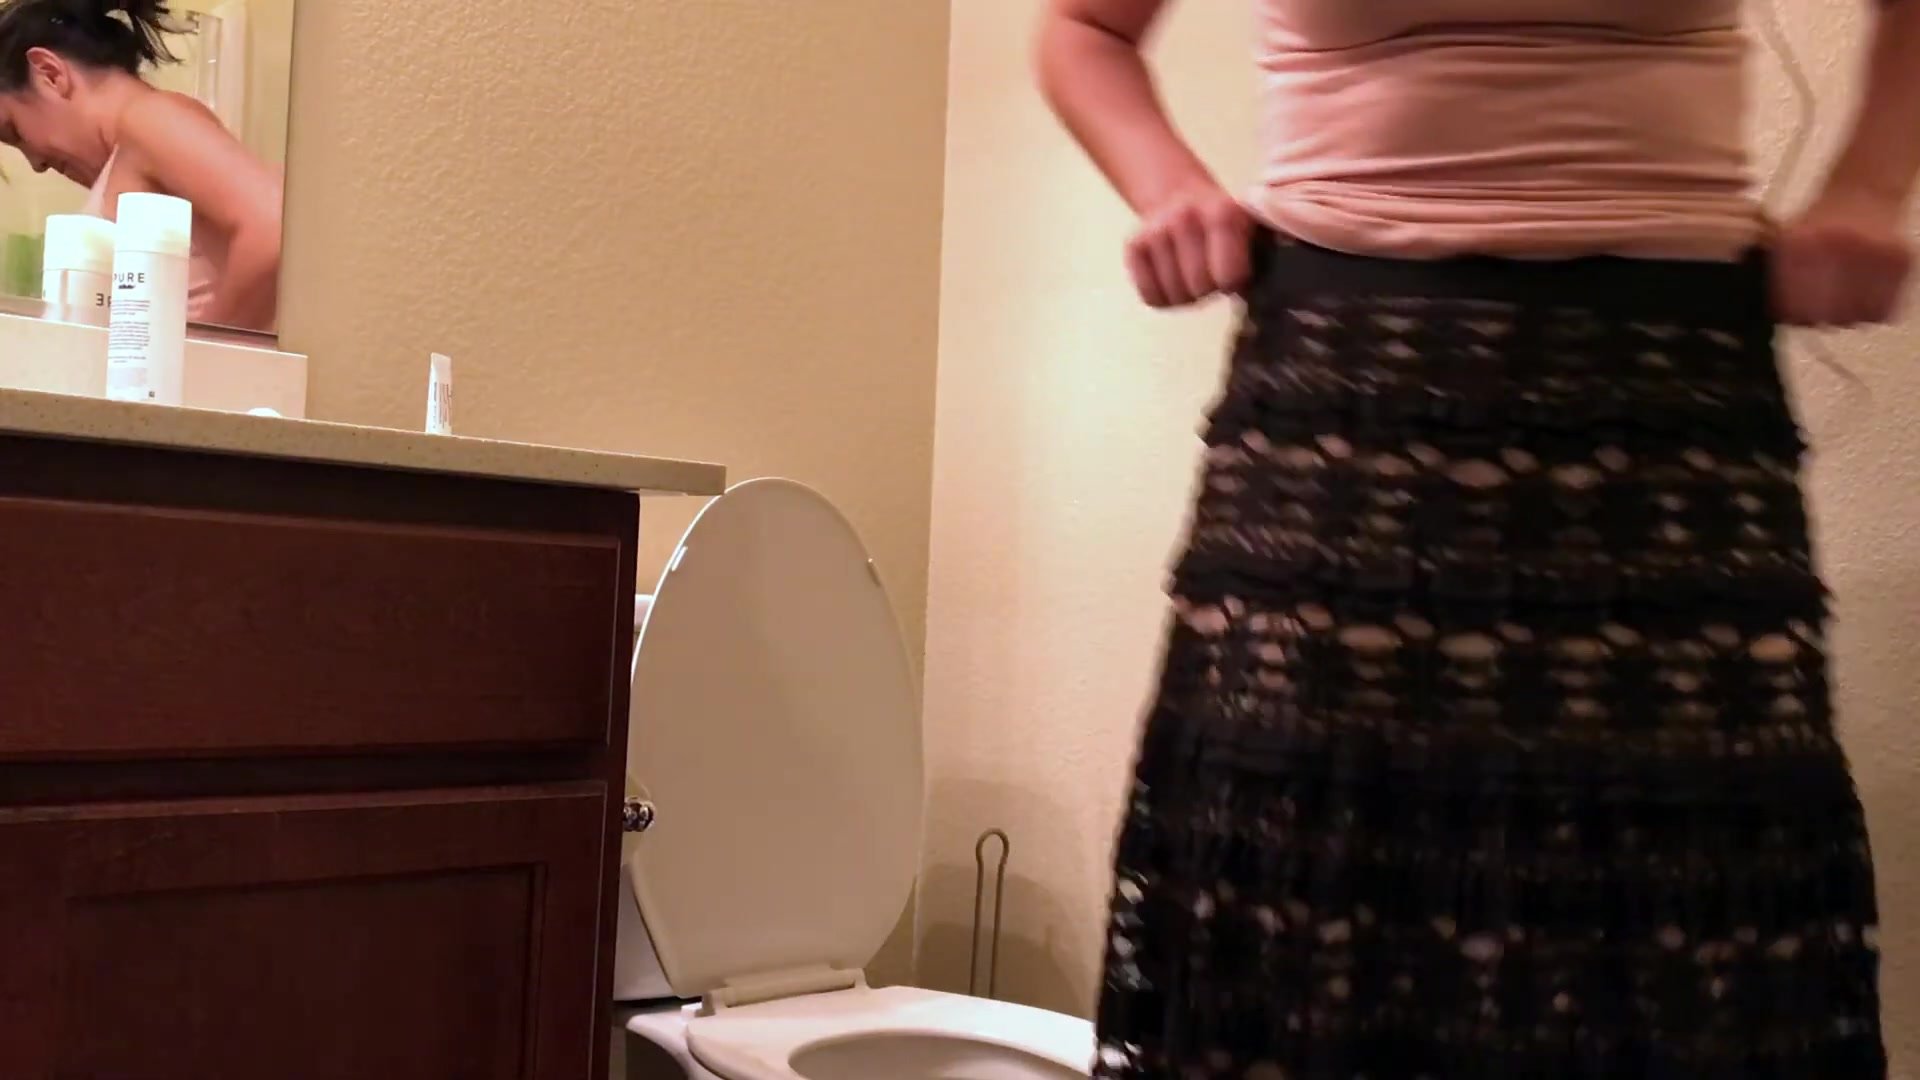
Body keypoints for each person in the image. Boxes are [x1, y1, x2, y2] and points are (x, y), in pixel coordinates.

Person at [1038, 0, 1912, 1075]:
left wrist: (1869, 188)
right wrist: (1171, 190)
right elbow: (1084, 27)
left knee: (1677, 895)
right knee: (1310, 878)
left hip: (1669, 398)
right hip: (1345, 390)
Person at [0, 0, 281, 329]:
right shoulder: (131, 147)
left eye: (16, 132)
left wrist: (201, 351)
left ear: (50, 73)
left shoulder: (150, 120)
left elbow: (273, 224)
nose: (35, 163)